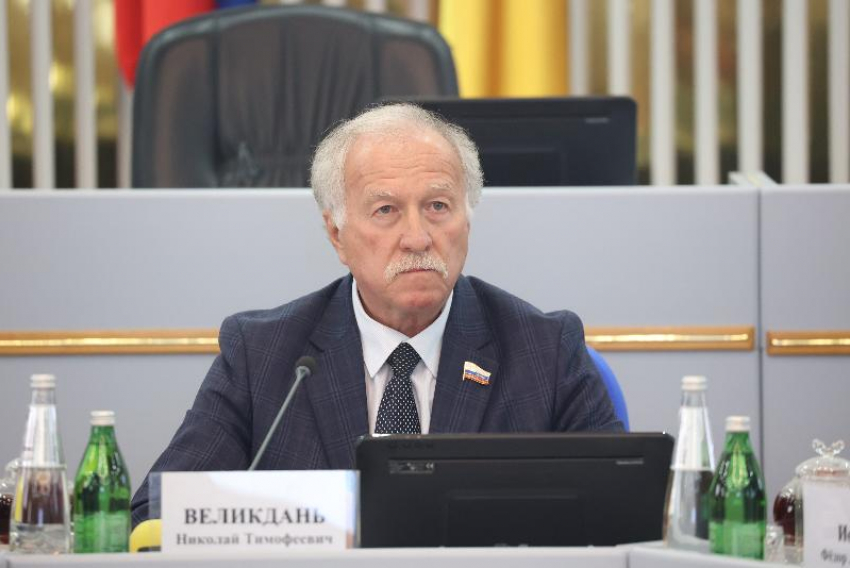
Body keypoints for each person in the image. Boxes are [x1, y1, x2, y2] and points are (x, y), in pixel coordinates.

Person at [130, 103, 622, 526]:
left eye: (438, 206)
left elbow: (621, 510)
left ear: (467, 221)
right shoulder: (263, 357)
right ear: (336, 234)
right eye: (386, 210)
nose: (417, 238)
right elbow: (156, 514)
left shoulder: (544, 351)